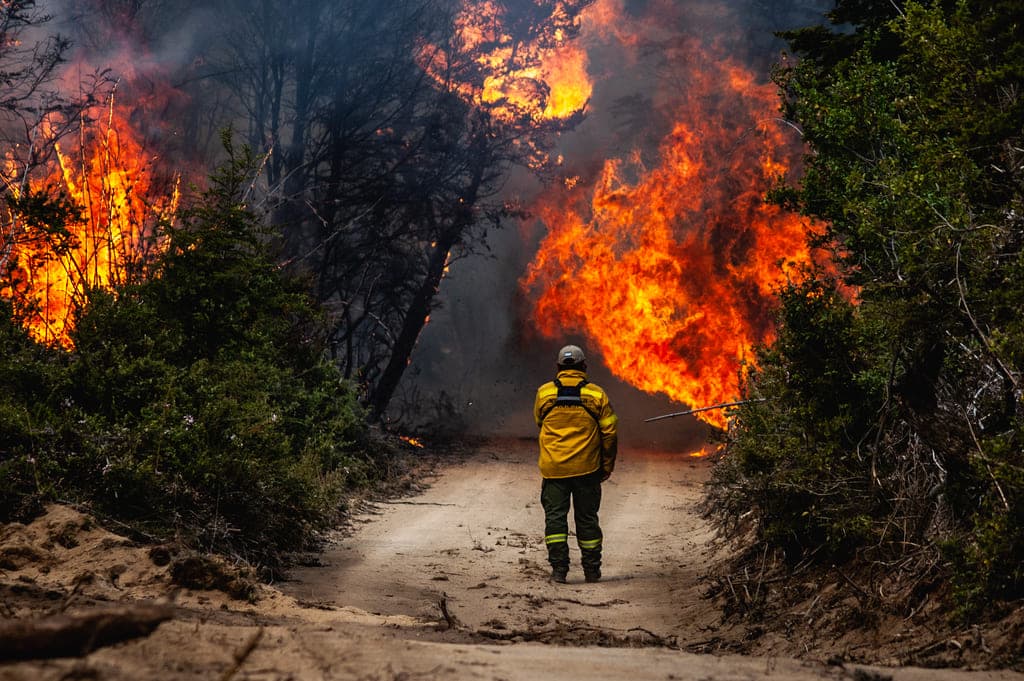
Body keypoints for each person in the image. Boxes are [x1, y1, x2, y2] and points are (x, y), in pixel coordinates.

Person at [534, 344, 618, 583]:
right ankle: (591, 570)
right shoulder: (597, 395)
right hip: (587, 469)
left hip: (554, 469)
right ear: (584, 367)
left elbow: (539, 422)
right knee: (587, 519)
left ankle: (559, 570)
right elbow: (610, 433)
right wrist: (607, 465)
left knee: (555, 519)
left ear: (558, 367)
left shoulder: (544, 393)